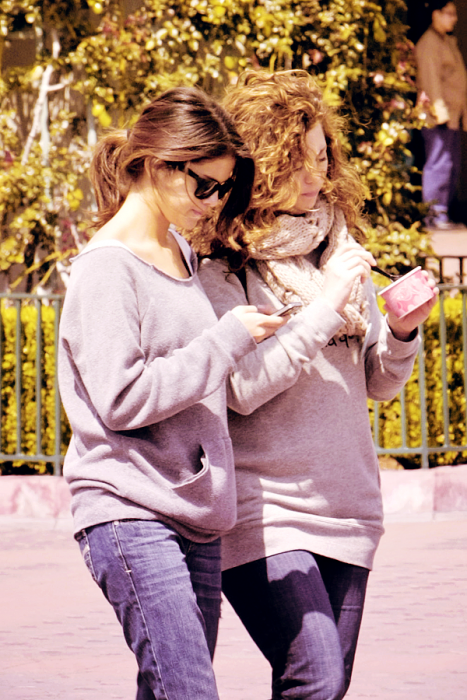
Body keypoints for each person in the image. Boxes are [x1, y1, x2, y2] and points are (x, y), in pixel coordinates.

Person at [188, 70, 438, 700]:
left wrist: (401, 331)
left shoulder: (337, 247)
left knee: (319, 687)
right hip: (266, 510)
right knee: (317, 677)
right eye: (295, 162)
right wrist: (325, 307)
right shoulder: (226, 264)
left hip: (349, 507)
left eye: (322, 158)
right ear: (261, 167)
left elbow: (378, 383)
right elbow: (242, 387)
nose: (314, 177)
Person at [57, 86, 286, 700]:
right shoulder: (107, 267)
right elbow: (121, 398)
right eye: (204, 185)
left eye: (223, 188)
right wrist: (226, 340)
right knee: (189, 691)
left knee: (169, 690)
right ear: (159, 164)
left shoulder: (180, 251)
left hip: (194, 511)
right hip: (129, 508)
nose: (213, 203)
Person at [415, 0, 467, 229]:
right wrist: (440, 113)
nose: (454, 18)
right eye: (449, 13)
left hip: (451, 115)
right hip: (439, 117)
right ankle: (434, 214)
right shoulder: (429, 44)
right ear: (435, 14)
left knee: (450, 164)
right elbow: (431, 82)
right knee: (439, 163)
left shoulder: (447, 41)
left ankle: (442, 211)